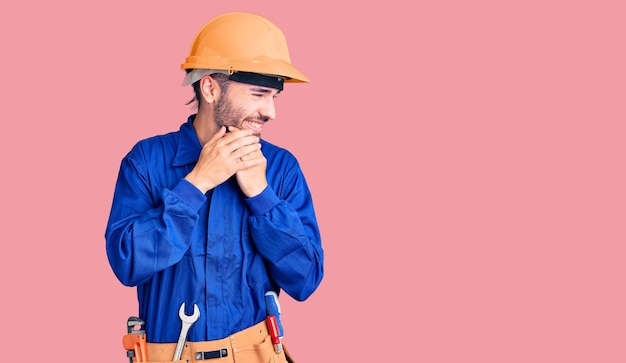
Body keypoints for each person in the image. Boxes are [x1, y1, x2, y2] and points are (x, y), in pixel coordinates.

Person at [105, 12, 324, 363]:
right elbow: (127, 263)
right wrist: (196, 184)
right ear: (210, 88)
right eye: (258, 94)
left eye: (274, 97)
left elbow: (306, 279)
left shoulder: (281, 170)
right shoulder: (146, 162)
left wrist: (261, 196)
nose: (270, 112)